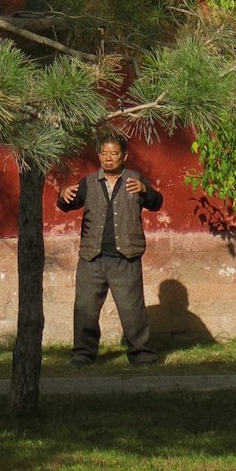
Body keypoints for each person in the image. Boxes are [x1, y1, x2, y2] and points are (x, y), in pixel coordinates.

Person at [57, 131, 162, 366]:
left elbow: (157, 204)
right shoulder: (89, 182)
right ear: (98, 156)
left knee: (132, 310)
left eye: (114, 153)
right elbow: (66, 204)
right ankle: (83, 355)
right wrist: (63, 196)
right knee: (85, 309)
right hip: (92, 258)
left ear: (124, 156)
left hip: (126, 257)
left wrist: (147, 192)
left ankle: (141, 354)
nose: (108, 157)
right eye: (103, 153)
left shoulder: (136, 180)